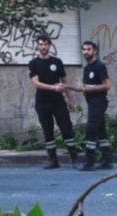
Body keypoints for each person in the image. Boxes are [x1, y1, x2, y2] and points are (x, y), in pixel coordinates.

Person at [28, 35, 79, 169]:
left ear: (50, 46)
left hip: (58, 101)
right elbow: (36, 83)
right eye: (41, 44)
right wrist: (53, 87)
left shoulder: (57, 62)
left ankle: (75, 158)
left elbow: (65, 82)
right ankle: (53, 160)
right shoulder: (33, 63)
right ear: (37, 46)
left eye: (45, 44)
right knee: (48, 130)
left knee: (67, 128)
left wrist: (70, 99)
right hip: (42, 102)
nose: (43, 47)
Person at [68, 41, 112, 171]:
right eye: (84, 49)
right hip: (91, 101)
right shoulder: (87, 68)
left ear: (95, 51)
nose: (86, 52)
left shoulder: (99, 66)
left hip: (99, 101)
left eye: (89, 49)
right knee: (101, 130)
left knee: (90, 129)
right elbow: (83, 88)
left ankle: (90, 162)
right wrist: (67, 87)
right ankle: (107, 160)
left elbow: (107, 85)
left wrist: (89, 88)